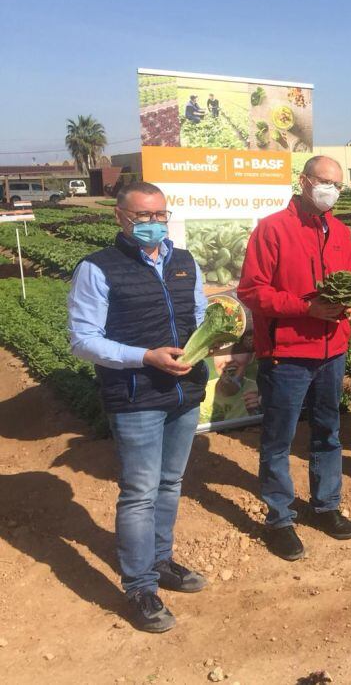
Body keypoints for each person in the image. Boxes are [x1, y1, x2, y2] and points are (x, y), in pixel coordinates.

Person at [68, 181, 210, 633]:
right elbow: (83, 340)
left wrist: (212, 341)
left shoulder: (184, 262)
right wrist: (145, 357)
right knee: (140, 492)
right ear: (120, 217)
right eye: (143, 216)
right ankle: (140, 587)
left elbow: (200, 317)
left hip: (184, 392)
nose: (153, 223)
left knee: (170, 482)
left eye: (160, 215)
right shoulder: (97, 268)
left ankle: (161, 561)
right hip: (135, 396)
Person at [237, 156, 351, 560]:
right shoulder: (272, 229)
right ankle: (279, 518)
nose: (331, 191)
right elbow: (252, 291)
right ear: (305, 181)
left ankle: (326, 505)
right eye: (325, 182)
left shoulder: (339, 231)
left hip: (332, 350)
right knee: (279, 438)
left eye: (338, 185)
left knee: (328, 431)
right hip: (287, 353)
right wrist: (306, 308)